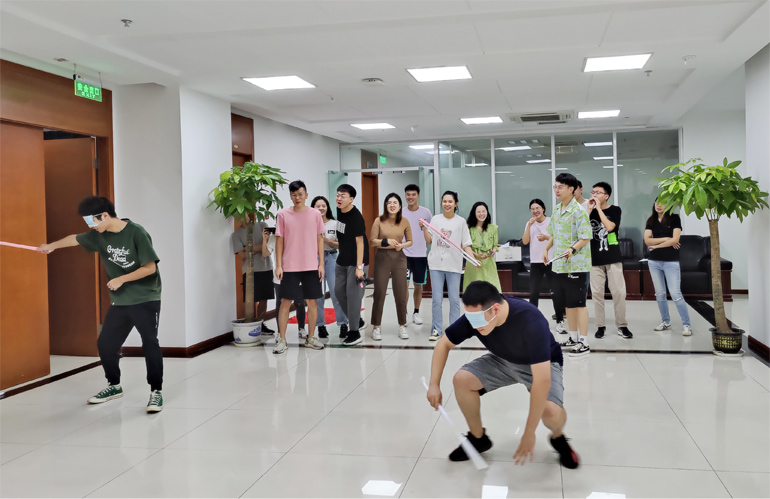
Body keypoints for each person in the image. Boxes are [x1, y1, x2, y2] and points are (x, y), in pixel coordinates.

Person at [426, 281, 579, 469]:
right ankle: (478, 438)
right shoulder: (476, 317)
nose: (474, 325)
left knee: (550, 412)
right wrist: (434, 384)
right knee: (462, 380)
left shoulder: (531, 319)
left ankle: (558, 437)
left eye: (477, 319)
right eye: (470, 318)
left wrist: (529, 432)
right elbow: (443, 344)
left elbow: (542, 381)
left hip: (540, 364)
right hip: (503, 360)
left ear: (495, 309)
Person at [37, 196, 164, 413]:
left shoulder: (136, 232)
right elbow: (74, 239)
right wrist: (51, 246)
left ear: (104, 215)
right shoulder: (99, 235)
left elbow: (150, 268)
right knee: (105, 344)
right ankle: (114, 385)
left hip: (146, 297)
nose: (91, 227)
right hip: (121, 300)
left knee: (149, 342)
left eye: (92, 222)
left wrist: (121, 279)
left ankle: (156, 391)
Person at [543, 173, 592, 357]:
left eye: (560, 187)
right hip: (559, 265)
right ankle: (572, 337)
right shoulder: (557, 209)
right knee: (568, 305)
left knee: (579, 304)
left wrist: (572, 249)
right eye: (555, 187)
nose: (556, 190)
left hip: (576, 265)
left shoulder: (579, 211)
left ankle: (584, 342)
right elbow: (553, 234)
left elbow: (586, 237)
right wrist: (546, 249)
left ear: (571, 189)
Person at [273, 180, 325, 354]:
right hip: (289, 266)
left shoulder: (315, 214)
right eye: (294, 195)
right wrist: (279, 265)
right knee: (285, 302)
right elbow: (279, 240)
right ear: (290, 196)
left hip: (311, 265)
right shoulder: (283, 215)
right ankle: (282, 340)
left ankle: (311, 337)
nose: (297, 198)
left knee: (312, 301)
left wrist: (321, 264)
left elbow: (320, 239)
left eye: (300, 194)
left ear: (306, 195)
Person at [424, 191, 472, 341]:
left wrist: (473, 259)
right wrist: (424, 228)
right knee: (436, 299)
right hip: (436, 264)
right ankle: (436, 329)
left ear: (456, 204)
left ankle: (454, 330)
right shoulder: (435, 219)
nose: (447, 204)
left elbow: (466, 244)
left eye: (450, 201)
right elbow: (429, 240)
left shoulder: (461, 222)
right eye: (444, 201)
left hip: (454, 265)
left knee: (454, 299)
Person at [587, 182, 632, 339]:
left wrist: (598, 209)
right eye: (593, 192)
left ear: (606, 196)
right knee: (597, 294)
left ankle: (622, 325)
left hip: (613, 257)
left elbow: (610, 227)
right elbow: (580, 229)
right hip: (594, 258)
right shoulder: (589, 211)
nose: (594, 195)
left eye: (598, 192)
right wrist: (589, 210)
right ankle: (600, 326)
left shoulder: (615, 210)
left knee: (619, 292)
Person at [644, 199, 693, 336]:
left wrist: (656, 245)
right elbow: (647, 240)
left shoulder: (675, 218)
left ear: (669, 205)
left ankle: (686, 325)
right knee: (660, 294)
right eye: (657, 203)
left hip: (670, 261)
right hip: (654, 262)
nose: (659, 205)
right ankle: (665, 322)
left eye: (662, 203)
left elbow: (675, 239)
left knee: (676, 294)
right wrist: (667, 239)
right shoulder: (651, 220)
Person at [369, 193, 413, 340]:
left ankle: (402, 325)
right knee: (379, 292)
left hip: (399, 258)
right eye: (389, 203)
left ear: (400, 206)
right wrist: (385, 241)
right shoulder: (378, 220)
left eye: (395, 203)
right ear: (386, 205)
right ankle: (376, 327)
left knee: (401, 293)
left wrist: (402, 245)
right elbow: (372, 241)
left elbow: (410, 241)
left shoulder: (405, 221)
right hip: (382, 257)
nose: (392, 205)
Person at [522, 199, 566, 334]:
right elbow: (525, 241)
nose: (535, 211)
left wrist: (546, 238)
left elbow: (558, 239)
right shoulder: (530, 223)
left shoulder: (551, 221)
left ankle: (560, 321)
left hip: (550, 261)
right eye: (532, 209)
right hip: (535, 262)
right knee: (534, 292)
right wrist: (529, 226)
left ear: (543, 209)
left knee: (556, 292)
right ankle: (532, 321)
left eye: (538, 208)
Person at [334, 184, 369, 346]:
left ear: (351, 199)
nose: (339, 198)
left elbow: (360, 243)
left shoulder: (356, 217)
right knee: (338, 292)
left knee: (353, 295)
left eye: (343, 196)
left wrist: (359, 267)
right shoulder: (339, 211)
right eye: (337, 195)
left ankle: (354, 332)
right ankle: (357, 321)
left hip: (357, 261)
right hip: (342, 259)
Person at [311, 196, 348, 339]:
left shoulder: (336, 224)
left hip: (332, 258)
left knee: (336, 292)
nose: (321, 208)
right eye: (318, 206)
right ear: (313, 208)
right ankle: (320, 325)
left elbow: (342, 245)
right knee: (318, 296)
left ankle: (343, 324)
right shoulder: (309, 224)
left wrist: (325, 240)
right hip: (315, 260)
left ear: (327, 207)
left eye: (323, 205)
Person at [231, 218, 275, 335]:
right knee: (250, 299)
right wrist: (259, 247)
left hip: (266, 268)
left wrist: (248, 248)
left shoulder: (262, 225)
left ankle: (261, 324)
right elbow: (242, 256)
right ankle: (251, 326)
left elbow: (268, 246)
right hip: (249, 271)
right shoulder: (236, 235)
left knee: (264, 298)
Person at [262, 227, 307, 340]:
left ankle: (301, 328)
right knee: (280, 304)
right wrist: (265, 239)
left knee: (299, 303)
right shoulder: (274, 237)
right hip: (280, 276)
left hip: (297, 274)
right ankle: (280, 332)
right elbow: (265, 253)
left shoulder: (297, 235)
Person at [402, 184, 432, 325]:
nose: (410, 197)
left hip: (420, 255)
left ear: (418, 195)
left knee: (418, 285)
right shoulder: (401, 212)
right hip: (404, 254)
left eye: (413, 194)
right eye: (408, 194)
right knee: (404, 285)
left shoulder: (426, 213)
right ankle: (403, 313)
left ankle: (416, 312)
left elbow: (430, 233)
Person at [463, 201, 501, 292]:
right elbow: (466, 247)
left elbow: (495, 245)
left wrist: (493, 251)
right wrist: (476, 255)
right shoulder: (469, 229)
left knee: (491, 288)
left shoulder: (493, 228)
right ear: (474, 213)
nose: (481, 214)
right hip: (473, 262)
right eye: (478, 212)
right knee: (474, 289)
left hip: (489, 263)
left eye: (484, 211)